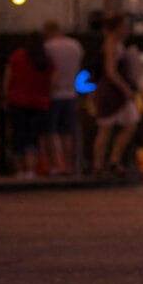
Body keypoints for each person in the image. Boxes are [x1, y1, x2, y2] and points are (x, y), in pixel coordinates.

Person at [91, 14, 142, 176]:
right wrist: (125, 88)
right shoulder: (111, 44)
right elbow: (110, 71)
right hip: (111, 91)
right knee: (106, 127)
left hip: (115, 90)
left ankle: (113, 160)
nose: (127, 29)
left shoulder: (118, 44)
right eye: (124, 26)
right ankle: (100, 164)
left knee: (130, 122)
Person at [4, 32, 54, 177]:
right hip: (40, 103)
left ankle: (20, 170)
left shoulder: (18, 56)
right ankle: (31, 169)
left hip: (18, 101)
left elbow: (8, 78)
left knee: (19, 136)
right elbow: (51, 83)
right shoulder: (45, 60)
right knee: (33, 137)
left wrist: (5, 97)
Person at [42, 20, 85, 175]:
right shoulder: (75, 46)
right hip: (70, 92)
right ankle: (68, 165)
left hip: (53, 93)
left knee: (51, 132)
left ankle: (55, 166)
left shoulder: (49, 47)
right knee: (67, 132)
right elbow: (78, 68)